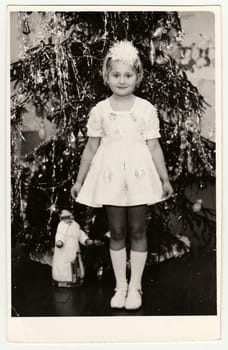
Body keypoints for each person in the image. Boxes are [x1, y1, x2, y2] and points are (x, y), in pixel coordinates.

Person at [71, 40, 173, 310]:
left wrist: (164, 178)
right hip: (111, 177)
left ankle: (136, 284)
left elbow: (154, 146)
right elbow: (91, 147)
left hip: (139, 177)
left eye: (128, 75)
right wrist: (80, 180)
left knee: (138, 229)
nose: (122, 80)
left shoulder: (146, 109)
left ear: (138, 77)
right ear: (107, 77)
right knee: (116, 231)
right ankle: (121, 285)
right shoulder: (101, 111)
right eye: (116, 74)